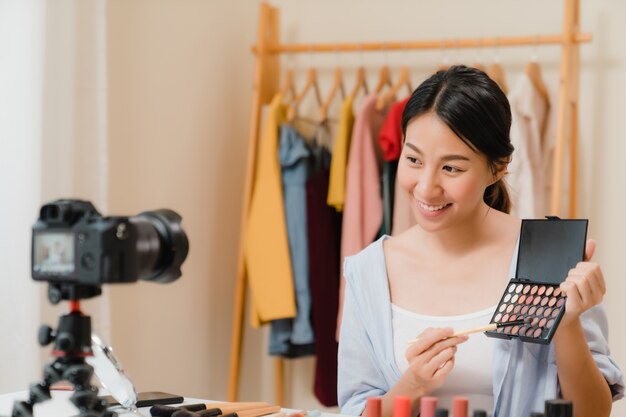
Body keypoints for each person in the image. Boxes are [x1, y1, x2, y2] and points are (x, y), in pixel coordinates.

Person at [337, 65, 624, 417]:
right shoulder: (368, 271)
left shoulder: (550, 256)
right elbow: (355, 410)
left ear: (498, 167)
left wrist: (567, 324)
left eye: (451, 168)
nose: (426, 187)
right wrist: (413, 384)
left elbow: (593, 413)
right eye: (413, 160)